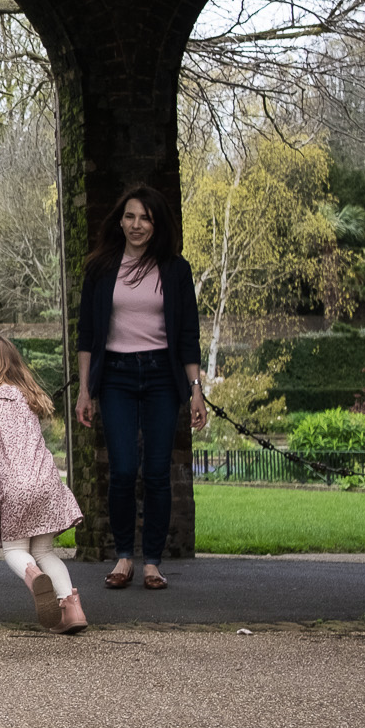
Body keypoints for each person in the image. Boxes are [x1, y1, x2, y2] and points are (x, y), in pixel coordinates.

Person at [75, 183, 205, 590]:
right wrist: (84, 390)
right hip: (115, 375)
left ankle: (152, 563)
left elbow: (188, 334)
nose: (137, 224)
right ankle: (123, 558)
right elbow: (86, 335)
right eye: (130, 216)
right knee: (123, 470)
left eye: (145, 217)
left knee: (156, 473)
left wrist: (196, 388)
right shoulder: (100, 268)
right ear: (120, 220)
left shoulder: (175, 269)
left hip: (162, 376)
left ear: (156, 223)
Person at [0, 334, 88, 634]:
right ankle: (71, 608)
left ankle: (34, 577)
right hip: (48, 482)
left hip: (14, 488)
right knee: (45, 551)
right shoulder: (25, 395)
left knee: (14, 550)